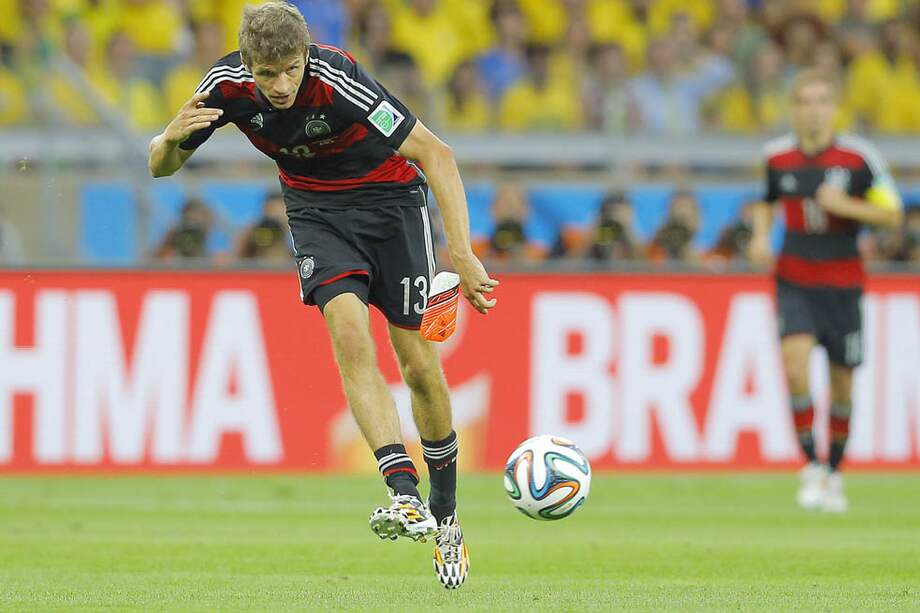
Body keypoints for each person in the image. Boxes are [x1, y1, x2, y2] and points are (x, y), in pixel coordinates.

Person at [147, 2, 496, 590]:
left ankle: (446, 513)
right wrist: (168, 140)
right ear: (247, 66)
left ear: (306, 56)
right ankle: (402, 494)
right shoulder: (224, 86)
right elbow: (161, 167)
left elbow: (437, 154)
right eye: (266, 73)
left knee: (418, 369)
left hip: (392, 209)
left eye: (289, 69)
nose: (279, 86)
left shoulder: (339, 79)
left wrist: (461, 252)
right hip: (317, 214)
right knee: (350, 337)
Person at [749, 69, 903, 513]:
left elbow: (892, 215)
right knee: (794, 368)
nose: (813, 110)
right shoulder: (777, 157)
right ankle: (811, 465)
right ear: (793, 109)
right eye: (804, 101)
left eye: (821, 101)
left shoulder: (858, 158)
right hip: (794, 279)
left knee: (841, 387)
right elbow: (767, 199)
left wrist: (846, 206)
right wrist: (762, 234)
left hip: (843, 285)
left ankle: (834, 471)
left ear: (833, 108)